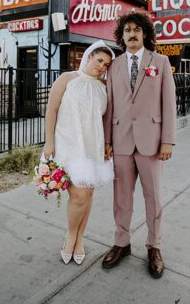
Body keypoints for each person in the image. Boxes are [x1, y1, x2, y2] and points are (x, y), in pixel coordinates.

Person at [102, 11, 177, 279]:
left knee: (153, 198)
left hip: (152, 142)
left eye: (137, 29)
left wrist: (167, 139)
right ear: (121, 36)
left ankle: (154, 246)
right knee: (121, 198)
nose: (132, 34)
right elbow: (109, 106)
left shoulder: (161, 62)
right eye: (127, 30)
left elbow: (169, 104)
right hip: (121, 142)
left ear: (145, 33)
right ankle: (121, 242)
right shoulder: (114, 66)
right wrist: (107, 140)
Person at [43, 41, 115, 265]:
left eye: (107, 64)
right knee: (79, 194)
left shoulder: (104, 87)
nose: (102, 66)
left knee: (89, 193)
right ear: (89, 56)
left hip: (93, 145)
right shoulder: (68, 78)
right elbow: (51, 110)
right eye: (99, 60)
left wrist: (107, 144)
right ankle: (71, 235)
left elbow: (106, 119)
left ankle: (80, 238)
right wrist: (48, 142)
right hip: (68, 144)